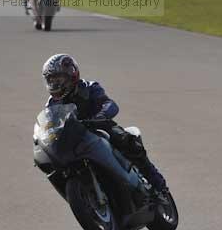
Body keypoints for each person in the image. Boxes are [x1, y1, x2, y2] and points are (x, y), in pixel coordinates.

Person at [41, 53, 168, 196]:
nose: (54, 84)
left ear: (71, 74)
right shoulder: (52, 103)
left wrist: (100, 116)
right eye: (51, 80)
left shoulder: (89, 87)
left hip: (99, 127)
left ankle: (159, 185)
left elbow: (109, 104)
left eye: (58, 79)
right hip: (75, 137)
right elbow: (48, 124)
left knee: (127, 141)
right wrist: (45, 137)